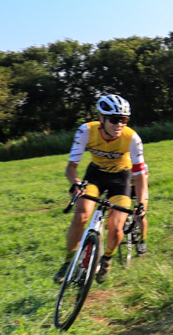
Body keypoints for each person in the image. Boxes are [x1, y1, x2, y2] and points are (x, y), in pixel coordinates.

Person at [54, 94, 149, 283]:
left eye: (124, 120)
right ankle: (68, 262)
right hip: (95, 176)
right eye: (114, 120)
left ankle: (106, 260)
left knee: (115, 227)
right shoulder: (86, 131)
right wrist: (76, 183)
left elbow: (140, 177)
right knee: (81, 215)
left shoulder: (132, 138)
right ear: (101, 119)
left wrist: (141, 204)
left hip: (121, 179)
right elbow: (71, 168)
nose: (119, 124)